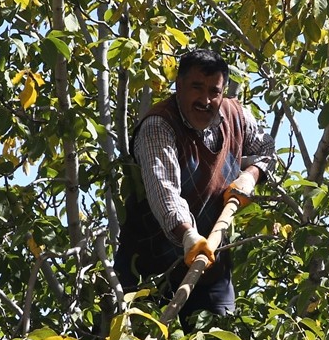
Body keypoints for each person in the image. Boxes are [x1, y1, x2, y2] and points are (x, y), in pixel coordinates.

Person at [114, 48, 275, 325]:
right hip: (148, 275)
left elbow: (267, 149)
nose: (206, 99)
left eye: (214, 91)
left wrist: (251, 174)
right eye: (196, 88)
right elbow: (163, 189)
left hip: (212, 272)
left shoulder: (235, 114)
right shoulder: (159, 125)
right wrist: (188, 235)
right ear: (179, 86)